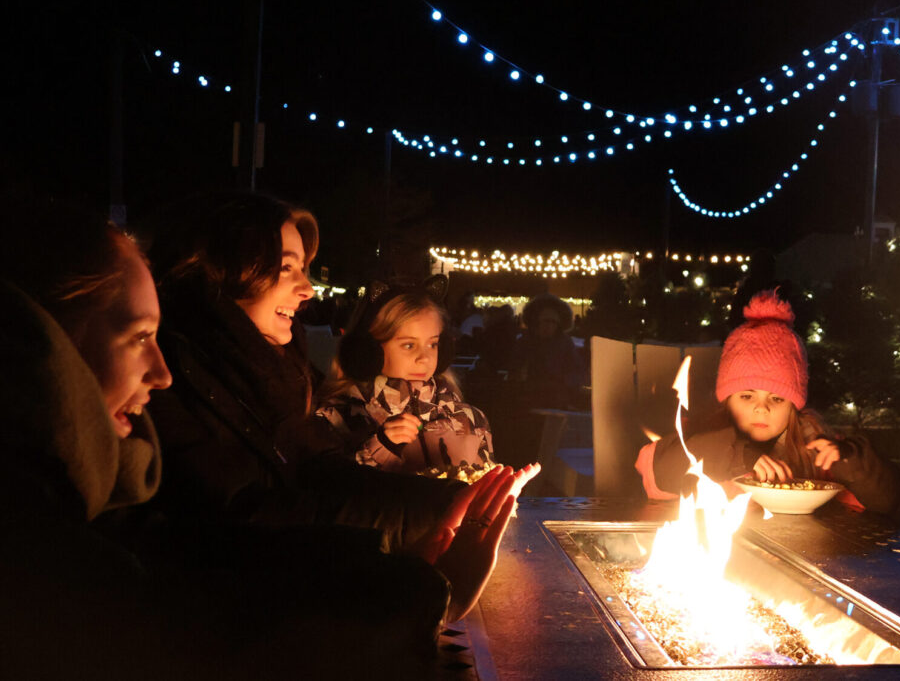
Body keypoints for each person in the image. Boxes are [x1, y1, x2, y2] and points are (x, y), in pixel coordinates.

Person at [0, 201, 534, 677]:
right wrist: (411, 584)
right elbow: (202, 578)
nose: (307, 288)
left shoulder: (271, 374)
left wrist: (442, 512)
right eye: (287, 268)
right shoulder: (182, 392)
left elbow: (311, 479)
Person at [144, 192, 531, 554]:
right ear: (225, 271)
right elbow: (249, 515)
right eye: (286, 268)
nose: (307, 289)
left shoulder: (285, 375)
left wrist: (455, 501)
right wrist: (431, 514)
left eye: (304, 268)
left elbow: (325, 474)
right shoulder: (168, 378)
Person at [641, 290, 900, 516]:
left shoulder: (813, 448)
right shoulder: (699, 440)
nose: (761, 408)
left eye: (777, 398)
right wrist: (740, 456)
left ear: (793, 406)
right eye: (747, 396)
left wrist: (850, 462)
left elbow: (887, 501)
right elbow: (656, 469)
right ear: (726, 400)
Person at [314, 278, 495, 474]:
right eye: (409, 345)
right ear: (368, 350)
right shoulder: (335, 419)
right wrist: (381, 448)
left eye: (433, 344)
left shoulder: (469, 419)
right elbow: (333, 495)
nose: (424, 358)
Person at [513, 293, 588, 409]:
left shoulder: (565, 343)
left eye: (553, 322)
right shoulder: (525, 341)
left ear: (558, 324)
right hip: (528, 399)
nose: (548, 325)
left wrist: (562, 382)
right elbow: (514, 368)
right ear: (537, 322)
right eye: (545, 321)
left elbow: (577, 370)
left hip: (557, 399)